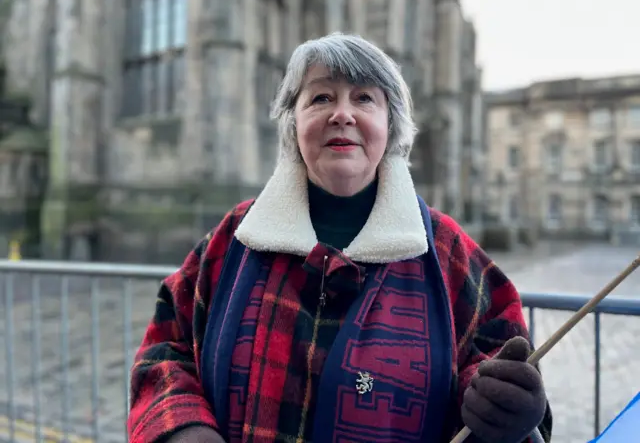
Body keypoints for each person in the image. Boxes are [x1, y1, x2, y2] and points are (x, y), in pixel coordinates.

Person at [127, 33, 553, 443]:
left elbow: (497, 362)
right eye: (321, 97)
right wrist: (182, 429)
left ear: (390, 125)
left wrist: (509, 413)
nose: (342, 114)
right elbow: (166, 347)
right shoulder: (236, 236)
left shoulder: (446, 251)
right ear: (294, 123)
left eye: (364, 98)